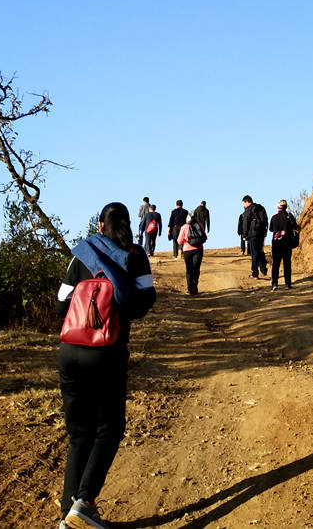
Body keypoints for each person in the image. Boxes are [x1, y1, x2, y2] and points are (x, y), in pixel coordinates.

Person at [56, 201, 155, 529]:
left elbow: (60, 304)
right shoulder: (135, 255)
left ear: (100, 226)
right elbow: (145, 301)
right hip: (107, 352)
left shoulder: (82, 252)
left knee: (79, 435)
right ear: (129, 225)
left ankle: (66, 518)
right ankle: (84, 502)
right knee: (110, 428)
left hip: (69, 351)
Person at [269, 199, 297, 291]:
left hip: (277, 244)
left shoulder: (274, 217)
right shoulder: (289, 216)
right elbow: (296, 227)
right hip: (287, 244)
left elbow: (271, 229)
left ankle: (274, 284)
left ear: (278, 207)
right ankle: (287, 284)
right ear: (286, 207)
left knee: (275, 264)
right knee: (287, 264)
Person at [239, 195, 268, 279]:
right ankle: (264, 269)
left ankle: (255, 273)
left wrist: (244, 235)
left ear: (247, 202)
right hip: (261, 233)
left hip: (253, 234)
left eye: (244, 203)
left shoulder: (248, 210)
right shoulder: (260, 208)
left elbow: (245, 224)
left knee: (254, 253)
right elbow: (265, 220)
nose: (243, 205)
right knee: (260, 251)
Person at [177, 211, 205, 295]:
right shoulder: (200, 225)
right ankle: (195, 287)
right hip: (198, 249)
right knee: (196, 269)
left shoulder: (184, 227)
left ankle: (189, 289)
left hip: (187, 250)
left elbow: (179, 241)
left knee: (189, 269)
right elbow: (205, 237)